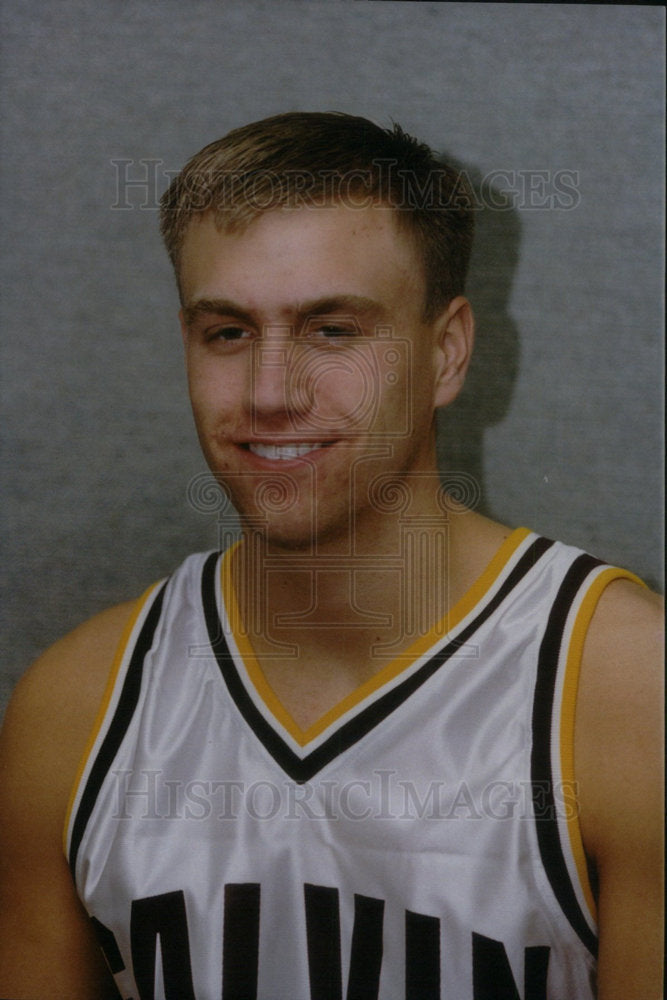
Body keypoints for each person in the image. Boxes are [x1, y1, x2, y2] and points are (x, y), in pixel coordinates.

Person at [0, 112, 662, 1000]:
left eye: (333, 330)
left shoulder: (626, 700)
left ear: (446, 351)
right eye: (227, 333)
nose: (272, 393)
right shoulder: (75, 708)